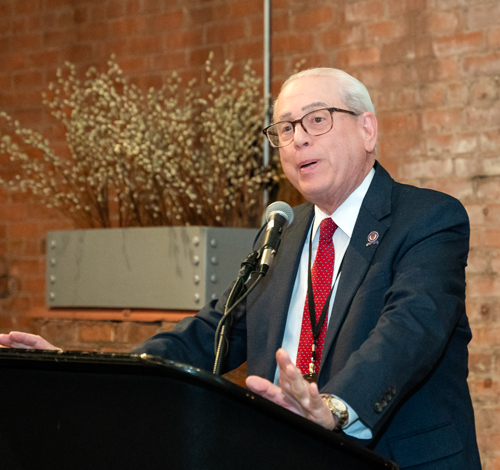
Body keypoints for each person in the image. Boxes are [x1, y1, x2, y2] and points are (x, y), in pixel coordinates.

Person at [0, 68, 481, 469]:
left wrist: (333, 407)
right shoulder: (284, 234)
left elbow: (409, 329)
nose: (298, 140)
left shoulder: (428, 220)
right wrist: (95, 373)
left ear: (367, 129)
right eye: (285, 129)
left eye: (317, 119)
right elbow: (217, 328)